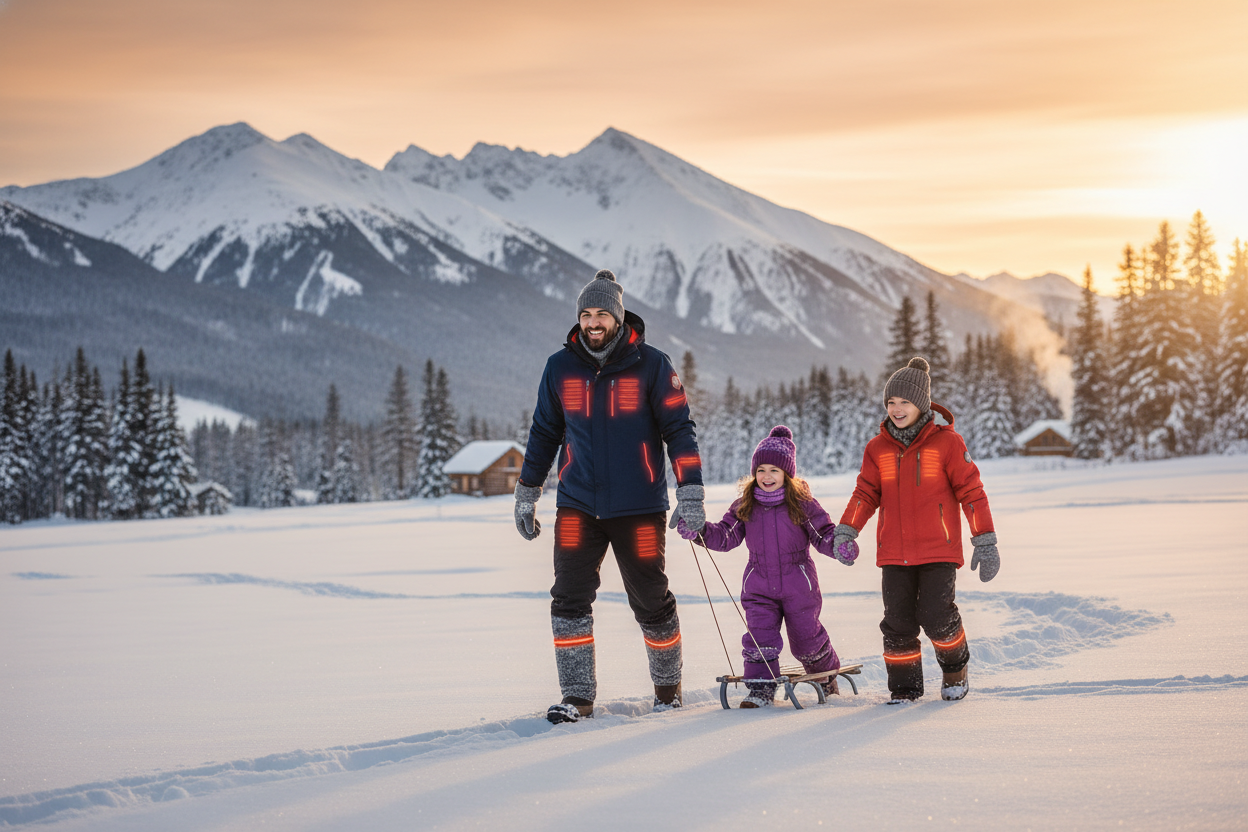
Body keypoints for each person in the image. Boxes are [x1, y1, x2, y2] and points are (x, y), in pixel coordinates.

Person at [513, 268, 706, 724]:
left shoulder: (653, 365)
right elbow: (544, 432)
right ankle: (577, 698)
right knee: (569, 600)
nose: (593, 322)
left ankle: (667, 691)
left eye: (602, 314)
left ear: (618, 318)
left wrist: (691, 492)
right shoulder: (559, 368)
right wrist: (527, 492)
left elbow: (679, 430)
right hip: (578, 505)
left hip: (639, 508)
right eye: (585, 314)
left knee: (651, 600)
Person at [831, 356, 1000, 703]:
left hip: (939, 549)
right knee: (897, 624)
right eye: (891, 402)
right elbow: (866, 493)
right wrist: (847, 530)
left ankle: (955, 668)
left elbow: (972, 493)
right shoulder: (878, 449)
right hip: (894, 552)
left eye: (904, 402)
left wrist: (985, 541)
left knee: (937, 616)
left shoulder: (948, 444)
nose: (896, 408)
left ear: (921, 404)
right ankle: (904, 689)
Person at [678, 425, 856, 708]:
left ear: (787, 474)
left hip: (799, 585)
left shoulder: (803, 504)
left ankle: (824, 676)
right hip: (758, 585)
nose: (766, 476)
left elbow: (823, 534)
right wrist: (700, 531)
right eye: (761, 470)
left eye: (774, 470)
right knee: (760, 638)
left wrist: (840, 545)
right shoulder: (744, 504)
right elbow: (725, 535)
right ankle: (760, 690)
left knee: (806, 639)